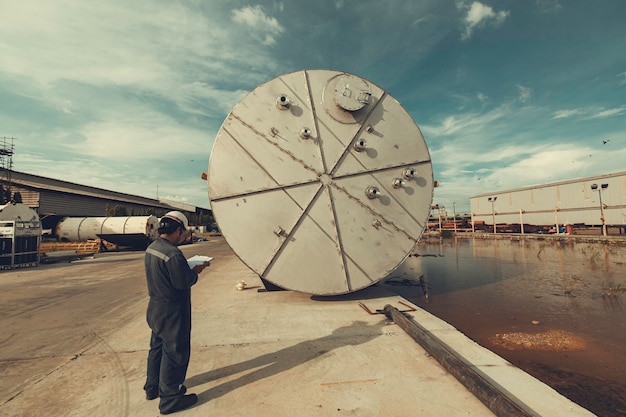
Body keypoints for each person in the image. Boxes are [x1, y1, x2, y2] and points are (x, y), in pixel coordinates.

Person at [143, 211, 211, 414]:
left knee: (157, 349)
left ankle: (152, 388)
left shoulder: (153, 248)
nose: (183, 236)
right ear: (178, 230)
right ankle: (171, 399)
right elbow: (183, 282)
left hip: (155, 308)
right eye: (183, 232)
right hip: (172, 311)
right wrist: (195, 272)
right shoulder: (173, 253)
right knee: (175, 353)